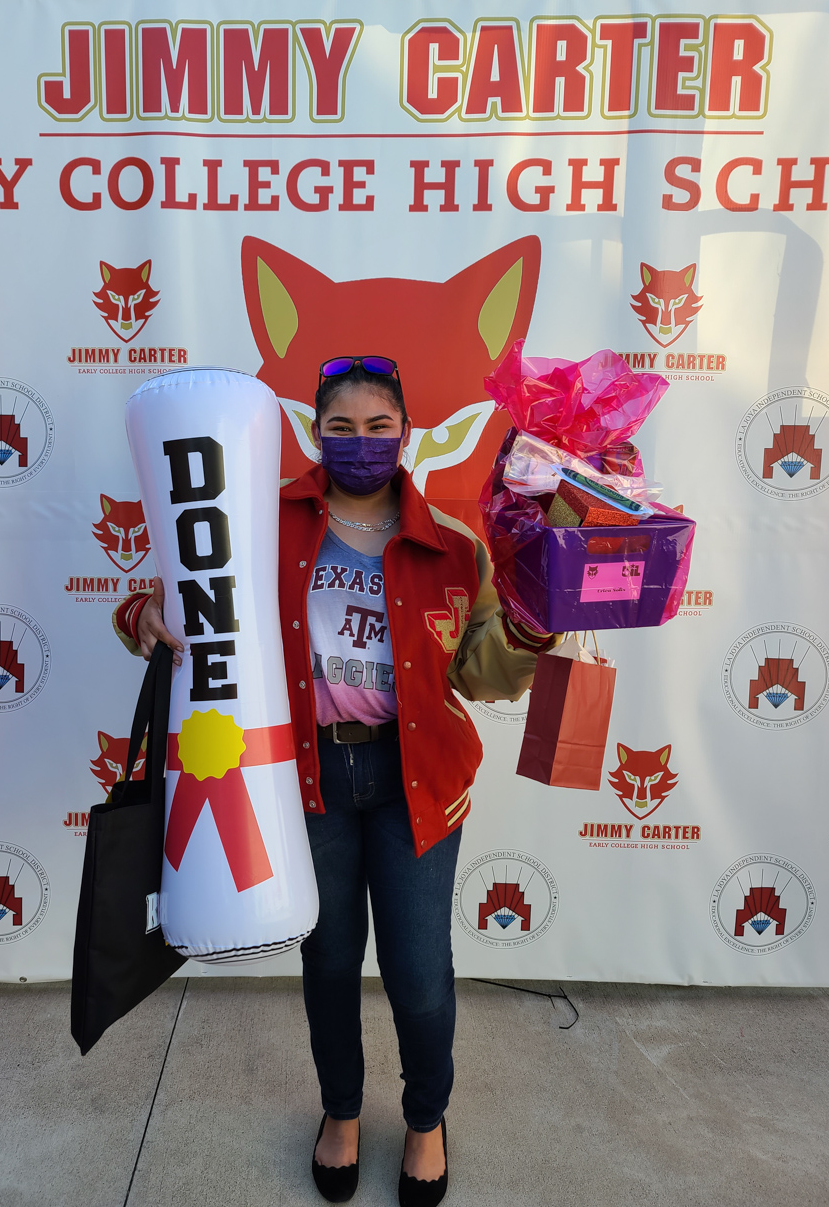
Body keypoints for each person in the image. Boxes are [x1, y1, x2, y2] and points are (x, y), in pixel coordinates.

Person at [112, 357, 558, 1207]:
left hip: (413, 778)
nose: (361, 443)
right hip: (302, 776)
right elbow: (162, 605)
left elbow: (481, 675)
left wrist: (536, 627)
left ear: (407, 433)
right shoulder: (259, 518)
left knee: (418, 973)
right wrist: (148, 615)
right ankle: (342, 1113)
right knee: (328, 961)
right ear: (315, 434)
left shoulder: (453, 545)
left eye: (378, 427)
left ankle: (425, 1120)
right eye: (341, 428)